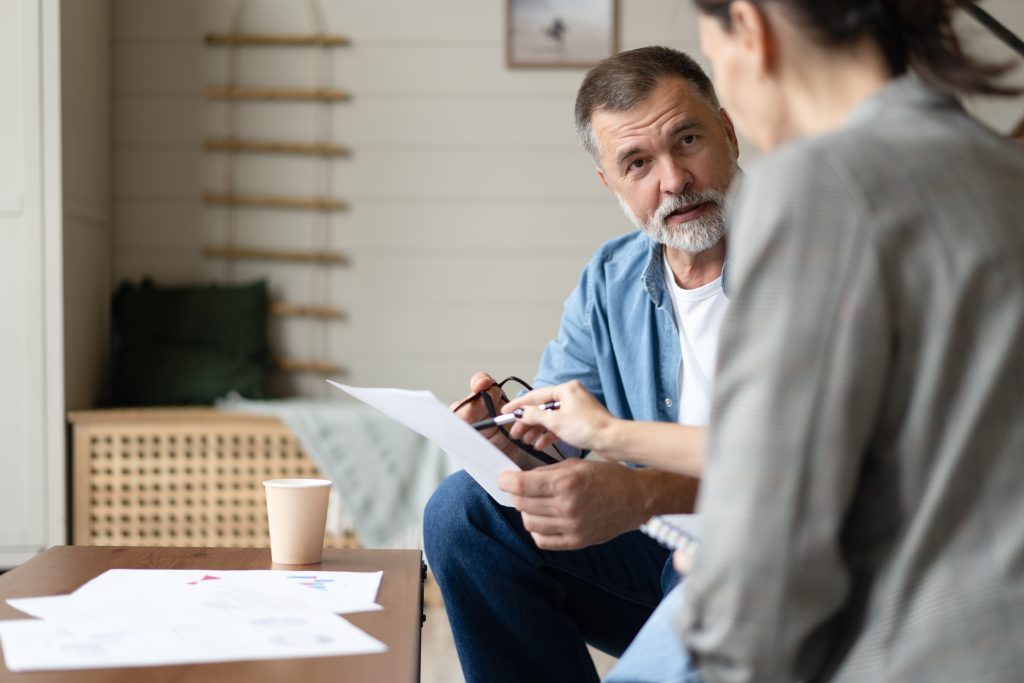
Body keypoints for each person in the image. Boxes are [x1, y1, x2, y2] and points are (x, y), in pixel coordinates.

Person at [515, 0, 1024, 681]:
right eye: (638, 162)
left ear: (749, 30)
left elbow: (779, 521)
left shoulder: (816, 186)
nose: (673, 176)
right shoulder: (996, 167)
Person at [422, 46, 740, 683]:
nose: (674, 180)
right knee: (464, 513)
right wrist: (503, 436)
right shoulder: (611, 277)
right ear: (610, 182)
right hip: (658, 555)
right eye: (638, 162)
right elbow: (557, 425)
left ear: (729, 132)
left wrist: (641, 494)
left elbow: (811, 467)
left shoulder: (810, 250)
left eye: (688, 139)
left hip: (769, 562)